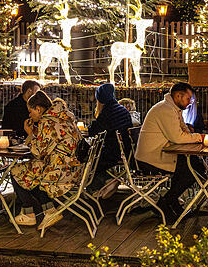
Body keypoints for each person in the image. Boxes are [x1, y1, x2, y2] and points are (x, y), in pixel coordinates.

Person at [9, 91, 83, 230]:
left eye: (30, 111)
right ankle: (49, 210)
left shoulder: (47, 121)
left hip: (60, 173)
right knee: (34, 173)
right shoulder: (64, 116)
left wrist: (30, 133)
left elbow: (38, 152)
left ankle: (29, 212)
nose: (30, 115)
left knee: (15, 171)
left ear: (38, 108)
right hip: (73, 168)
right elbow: (50, 143)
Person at [135, 82, 205, 223]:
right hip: (151, 159)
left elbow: (183, 130)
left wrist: (191, 135)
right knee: (192, 171)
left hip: (162, 154)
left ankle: (171, 203)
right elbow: (177, 137)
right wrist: (200, 137)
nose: (190, 103)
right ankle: (166, 202)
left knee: (195, 166)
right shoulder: (165, 110)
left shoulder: (172, 109)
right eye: (188, 99)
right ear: (178, 96)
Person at [86, 83, 132, 198]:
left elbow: (94, 132)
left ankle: (104, 182)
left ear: (100, 98)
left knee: (89, 161)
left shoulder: (107, 112)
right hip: (127, 151)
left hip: (113, 152)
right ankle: (107, 181)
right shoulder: (122, 110)